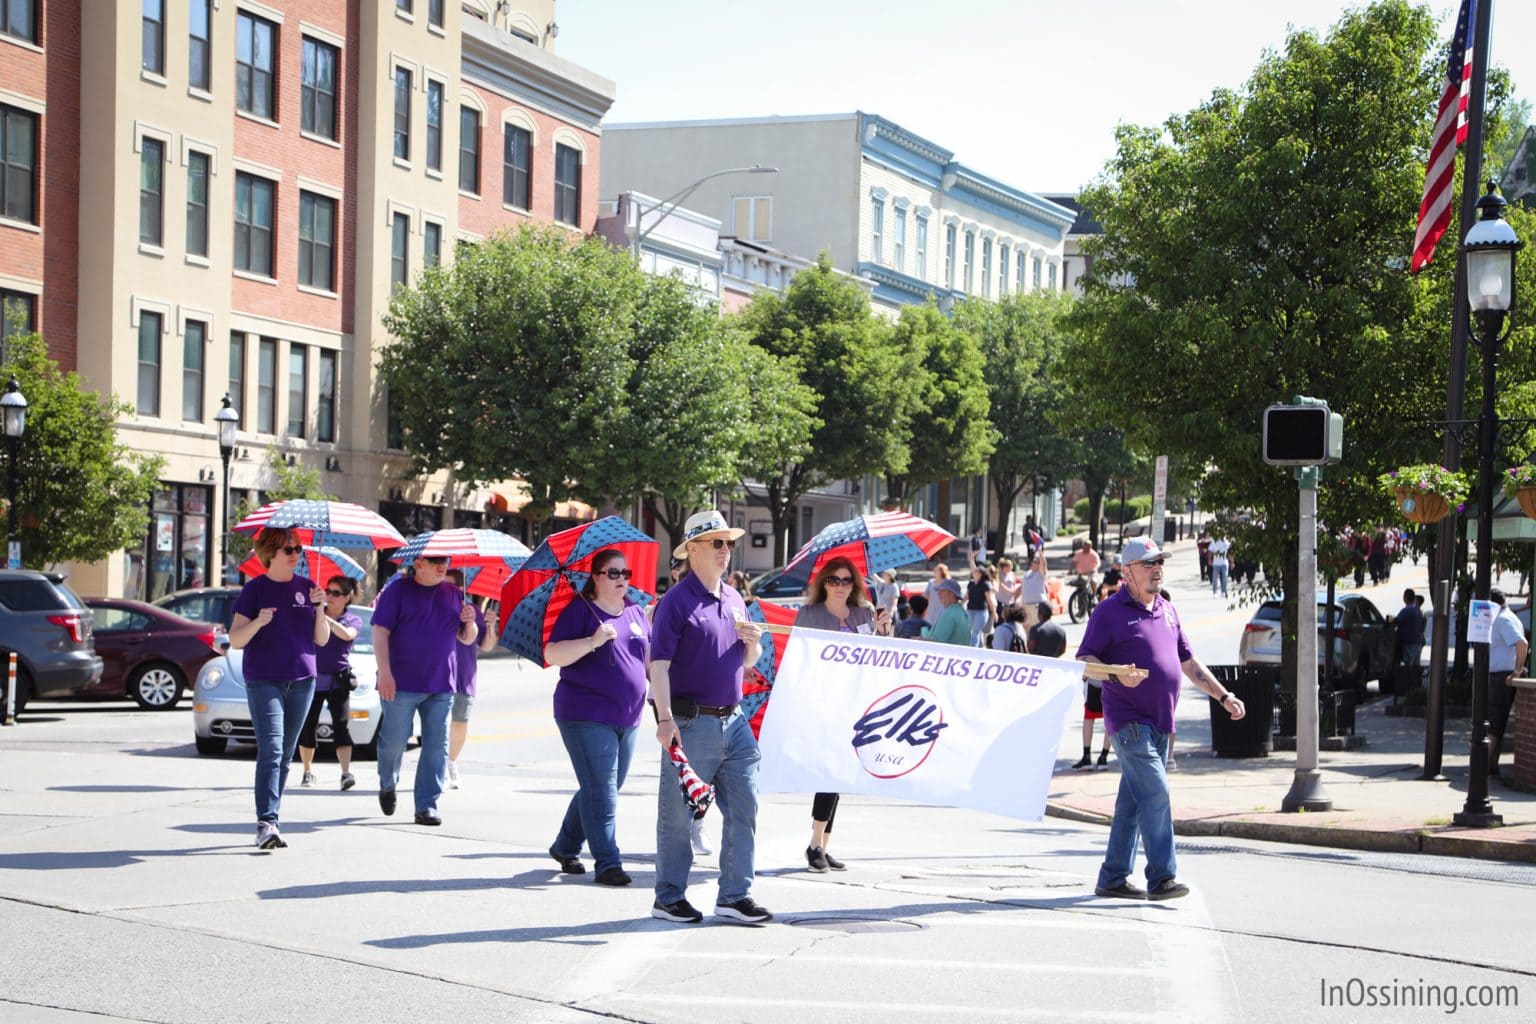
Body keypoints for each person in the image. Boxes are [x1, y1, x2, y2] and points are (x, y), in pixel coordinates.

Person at [1076, 538, 1246, 901]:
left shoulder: (1167, 609)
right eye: (1149, 563)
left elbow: (1189, 662)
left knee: (1133, 803)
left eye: (1160, 562)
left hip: (1159, 725)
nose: (1157, 569)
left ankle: (1113, 877)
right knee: (1156, 791)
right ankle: (1162, 878)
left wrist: (1224, 695)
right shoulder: (1108, 612)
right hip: (1127, 720)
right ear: (1127, 572)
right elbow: (1082, 663)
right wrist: (1116, 673)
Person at [648, 510, 771, 926]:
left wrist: (752, 646)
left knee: (745, 808)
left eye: (729, 544)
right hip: (692, 721)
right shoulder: (676, 602)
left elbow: (747, 660)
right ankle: (668, 896)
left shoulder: (734, 598)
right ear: (693, 548)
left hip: (735, 722)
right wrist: (664, 719)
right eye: (716, 543)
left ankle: (735, 895)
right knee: (679, 815)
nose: (725, 551)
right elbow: (658, 665)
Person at [544, 548, 650, 886]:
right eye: (613, 573)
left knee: (604, 786)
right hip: (585, 713)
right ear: (596, 577)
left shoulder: (636, 612)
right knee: (602, 790)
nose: (622, 579)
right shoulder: (581, 610)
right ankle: (607, 862)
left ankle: (565, 845)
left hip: (628, 716)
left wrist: (664, 706)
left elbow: (649, 664)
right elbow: (553, 653)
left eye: (626, 573)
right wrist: (593, 640)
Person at [227, 528, 330, 850]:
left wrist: (320, 609)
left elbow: (322, 639)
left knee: (285, 756)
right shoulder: (255, 590)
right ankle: (266, 822)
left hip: (303, 680)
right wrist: (258, 622)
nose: (295, 554)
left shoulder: (308, 588)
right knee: (271, 750)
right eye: (288, 549)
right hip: (264, 679)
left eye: (298, 548)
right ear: (270, 553)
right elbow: (236, 639)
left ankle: (272, 818)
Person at [792, 556, 892, 872]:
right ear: (824, 583)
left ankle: (823, 846)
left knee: (839, 773)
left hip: (855, 703)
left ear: (855, 584)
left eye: (846, 580)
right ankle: (814, 845)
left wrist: (882, 632)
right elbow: (799, 657)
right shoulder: (809, 614)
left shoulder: (864, 614)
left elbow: (876, 657)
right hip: (822, 703)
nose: (840, 586)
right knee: (830, 772)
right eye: (834, 580)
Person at [373, 554, 479, 827]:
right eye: (434, 560)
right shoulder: (397, 591)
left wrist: (470, 622)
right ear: (418, 564)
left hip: (442, 684)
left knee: (437, 746)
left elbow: (467, 638)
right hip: (400, 682)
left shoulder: (455, 594)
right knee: (395, 740)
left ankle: (426, 806)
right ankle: (387, 782)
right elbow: (380, 632)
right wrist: (384, 671)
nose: (442, 564)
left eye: (444, 559)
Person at [298, 575, 363, 792]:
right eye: (328, 591)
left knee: (341, 726)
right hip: (313, 678)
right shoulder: (315, 614)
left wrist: (324, 618)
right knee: (308, 727)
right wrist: (317, 611)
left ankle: (346, 772)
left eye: (336, 593)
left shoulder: (352, 620)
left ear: (347, 597)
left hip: (338, 679)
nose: (330, 596)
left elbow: (347, 635)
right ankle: (307, 771)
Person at [444, 568, 500, 789]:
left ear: (460, 588)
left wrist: (491, 625)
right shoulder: (436, 609)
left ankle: (451, 762)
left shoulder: (473, 610)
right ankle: (437, 765)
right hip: (439, 677)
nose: (445, 590)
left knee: (459, 723)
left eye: (450, 586)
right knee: (439, 724)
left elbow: (486, 645)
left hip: (464, 677)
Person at [1487, 588, 1529, 779]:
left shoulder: (1503, 620)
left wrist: (1517, 671)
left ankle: (1486, 765)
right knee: (1498, 722)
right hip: (1500, 675)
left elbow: (1522, 644)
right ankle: (1492, 765)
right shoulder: (1509, 617)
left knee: (1494, 721)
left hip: (1500, 676)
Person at [1395, 588, 1427, 689]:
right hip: (1418, 641)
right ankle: (1416, 687)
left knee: (1409, 665)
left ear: (1405, 598)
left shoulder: (1406, 610)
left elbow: (1396, 621)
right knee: (1416, 665)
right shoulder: (1418, 611)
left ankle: (1408, 687)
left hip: (1409, 641)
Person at [923, 578, 970, 645]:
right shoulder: (961, 612)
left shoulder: (949, 614)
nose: (938, 593)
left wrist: (921, 635)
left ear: (950, 593)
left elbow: (936, 643)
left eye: (941, 591)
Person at [964, 565, 997, 647]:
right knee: (976, 632)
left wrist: (994, 613)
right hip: (970, 610)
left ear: (981, 574)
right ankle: (981, 649)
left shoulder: (985, 585)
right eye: (974, 571)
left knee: (975, 632)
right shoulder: (971, 584)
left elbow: (990, 600)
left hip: (981, 611)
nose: (974, 572)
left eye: (977, 571)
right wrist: (959, 604)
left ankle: (973, 651)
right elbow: (966, 597)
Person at [1020, 552, 1049, 628]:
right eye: (1034, 562)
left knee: (1037, 627)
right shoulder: (1027, 573)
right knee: (1026, 627)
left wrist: (1041, 554)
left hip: (1036, 605)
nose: (1035, 563)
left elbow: (1044, 565)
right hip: (1025, 605)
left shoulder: (1040, 574)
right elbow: (1022, 587)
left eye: (1038, 562)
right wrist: (1014, 597)